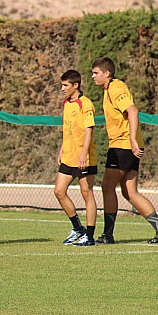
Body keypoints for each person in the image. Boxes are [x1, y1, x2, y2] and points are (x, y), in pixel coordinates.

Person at [91, 57, 158, 244]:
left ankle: (108, 235)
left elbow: (133, 111)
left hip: (123, 146)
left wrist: (131, 140)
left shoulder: (115, 88)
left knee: (107, 186)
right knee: (130, 192)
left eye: (96, 73)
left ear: (107, 73)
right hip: (125, 145)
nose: (93, 76)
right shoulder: (108, 89)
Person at [53, 70, 98, 246]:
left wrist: (83, 154)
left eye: (65, 85)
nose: (62, 88)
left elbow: (89, 130)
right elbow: (68, 130)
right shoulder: (67, 103)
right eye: (62, 85)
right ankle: (78, 229)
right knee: (59, 191)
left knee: (87, 193)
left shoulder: (85, 104)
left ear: (75, 85)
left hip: (83, 158)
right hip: (68, 156)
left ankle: (90, 235)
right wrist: (62, 149)